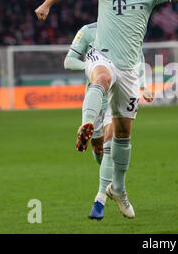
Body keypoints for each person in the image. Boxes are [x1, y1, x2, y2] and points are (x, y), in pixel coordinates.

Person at [35, 0, 178, 219]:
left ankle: (118, 189)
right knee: (101, 75)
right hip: (103, 57)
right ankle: (86, 123)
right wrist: (47, 4)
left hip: (130, 69)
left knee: (123, 134)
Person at [63, 22, 153, 220]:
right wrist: (91, 66)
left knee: (111, 142)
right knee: (99, 150)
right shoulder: (87, 31)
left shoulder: (127, 28)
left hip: (117, 97)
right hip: (96, 96)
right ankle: (114, 183)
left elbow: (139, 56)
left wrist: (144, 85)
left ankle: (100, 200)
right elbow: (68, 61)